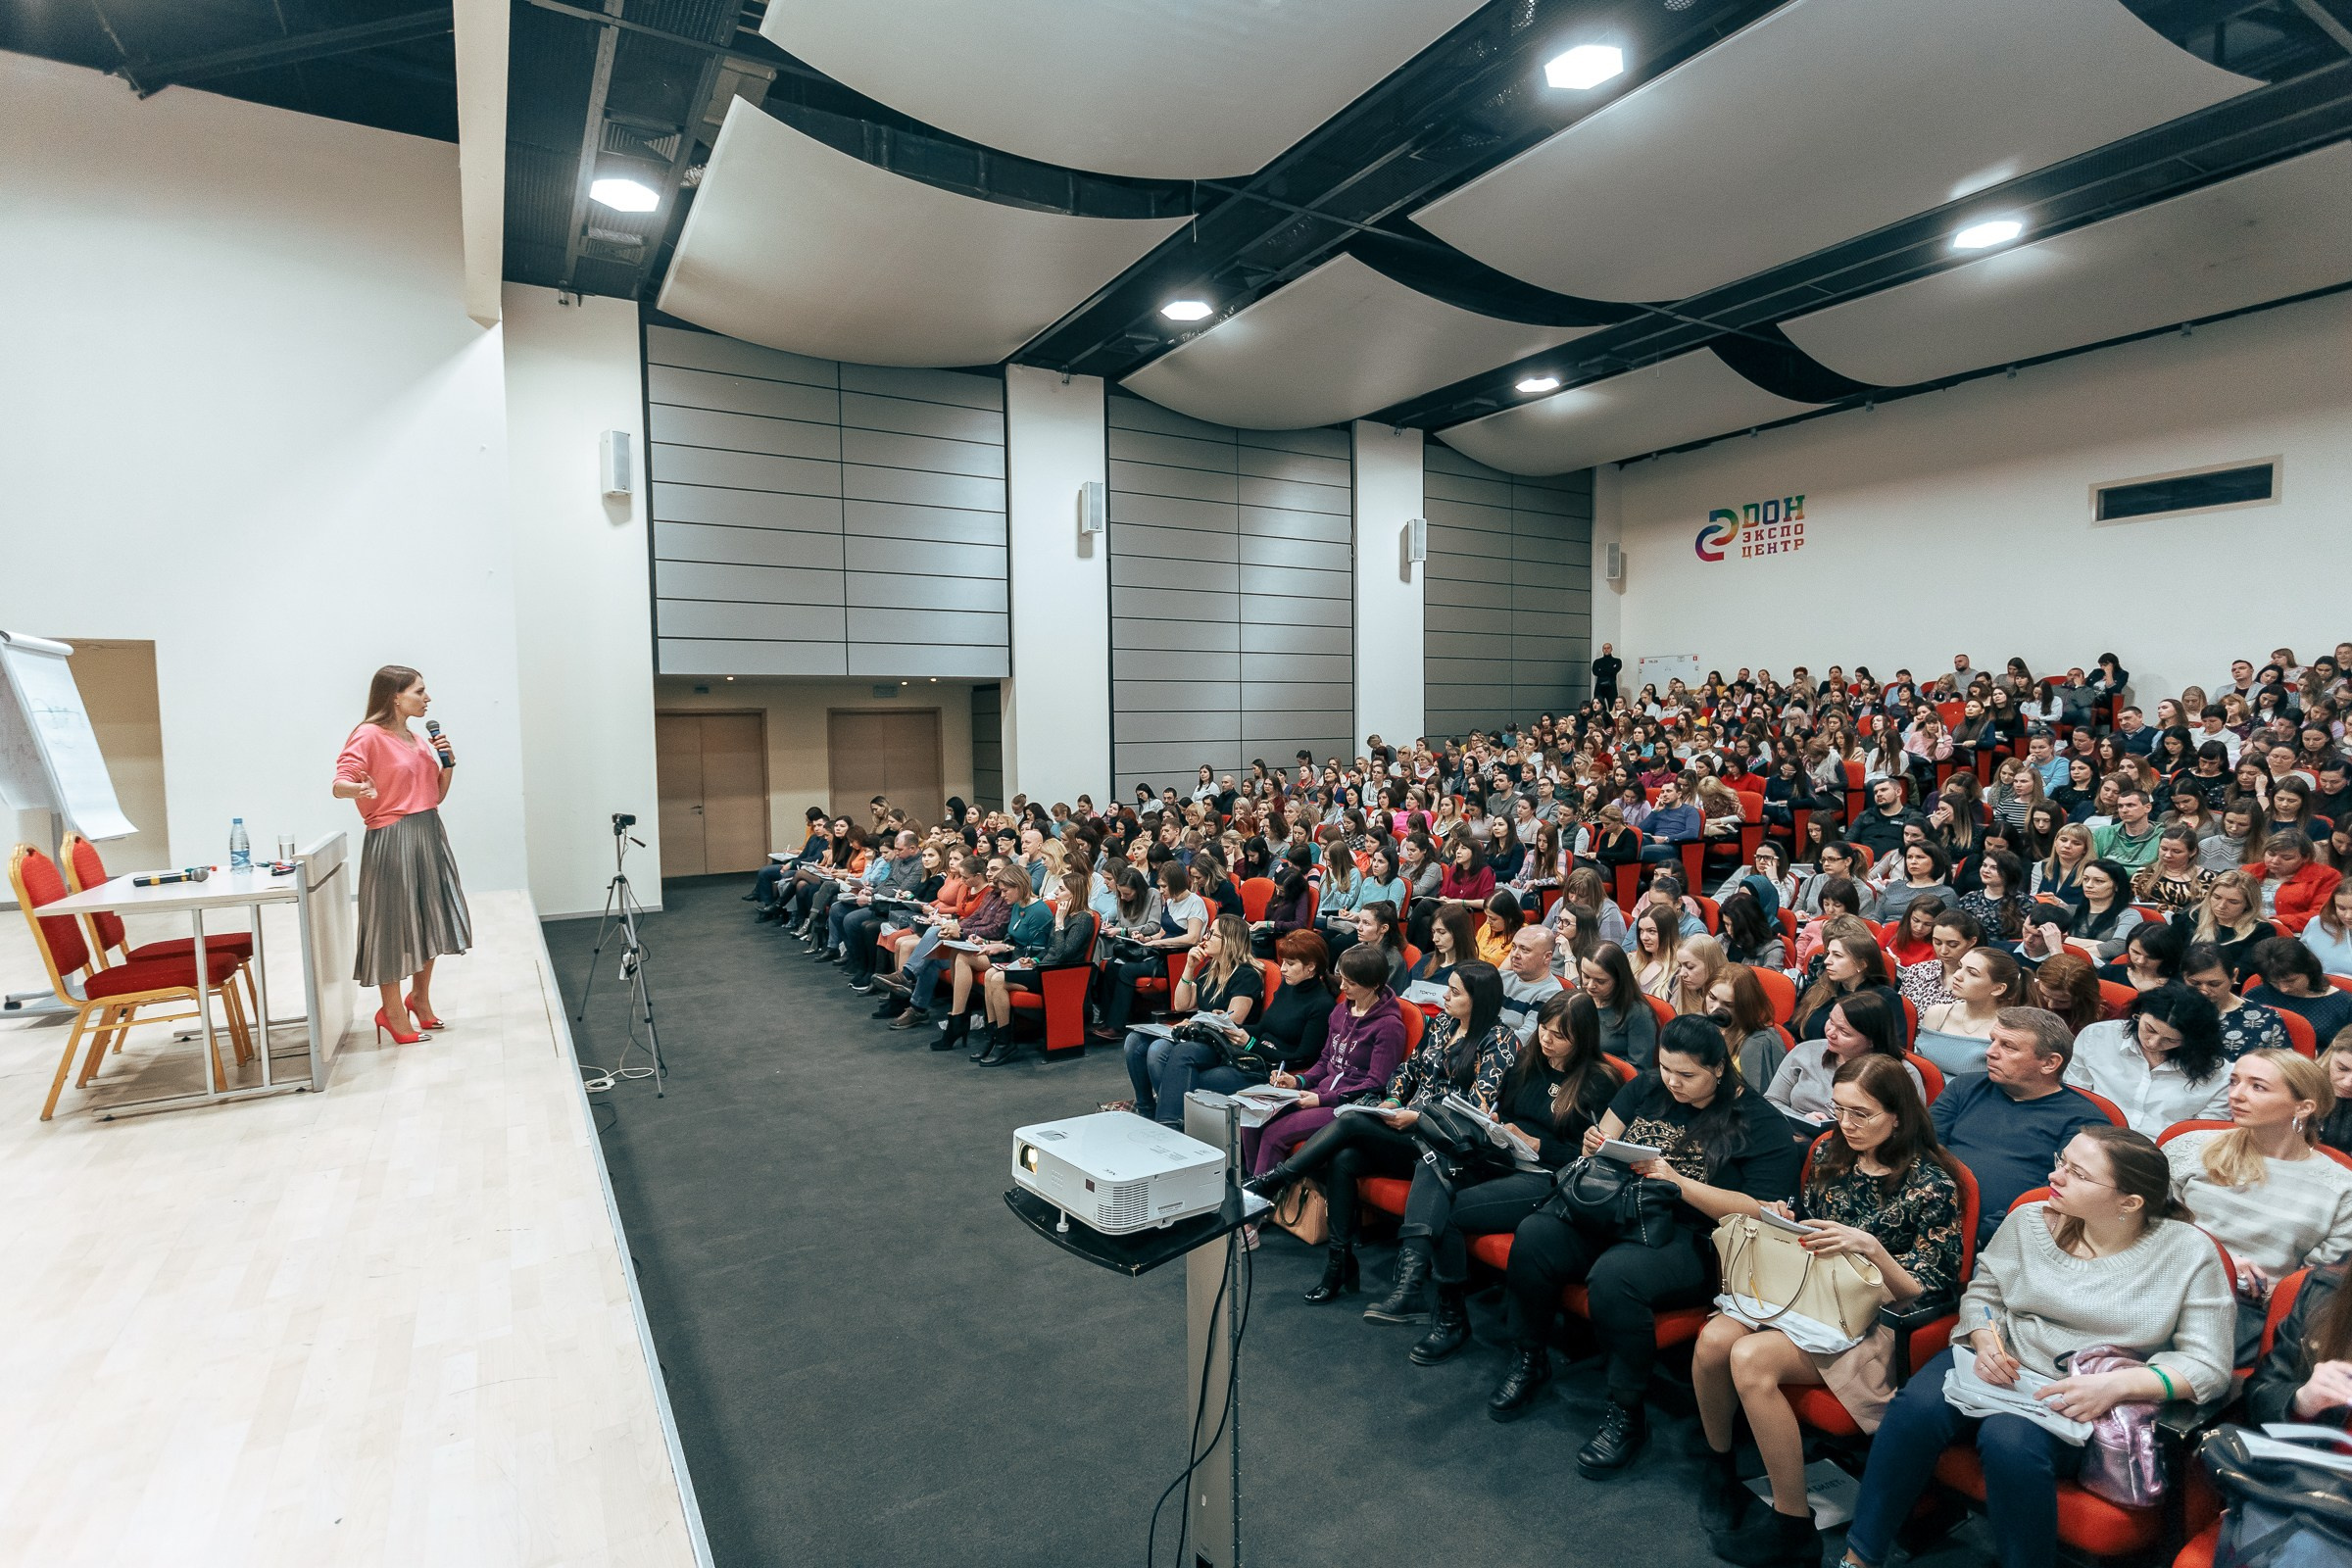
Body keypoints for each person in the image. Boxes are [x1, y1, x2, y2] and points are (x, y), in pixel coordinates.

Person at [1841, 1125, 2233, 1568]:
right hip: (2000, 1362)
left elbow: (2209, 1365)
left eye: (2079, 1174)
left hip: (2084, 1390)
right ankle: (1861, 1555)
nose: (2057, 1176)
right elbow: (1985, 1293)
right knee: (1914, 1409)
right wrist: (1984, 1336)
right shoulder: (2031, 1218)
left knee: (2008, 1438)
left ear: (2129, 1202)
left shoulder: (2186, 1252)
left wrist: (2117, 1388)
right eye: (2061, 1161)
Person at [1491, 1017, 1801, 1476]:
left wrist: (1678, 1182)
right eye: (1666, 1068)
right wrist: (1595, 1144)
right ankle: (1530, 1356)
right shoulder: (1648, 1088)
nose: (1673, 1082)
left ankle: (1627, 1411)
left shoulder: (1760, 1121)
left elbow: (1758, 1212)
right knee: (1538, 1235)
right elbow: (1601, 1146)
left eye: (1687, 1075)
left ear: (1719, 1069)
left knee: (1617, 1276)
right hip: (1620, 1209)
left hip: (1696, 1236)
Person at [1694, 1054, 1966, 1566]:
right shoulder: (1829, 1154)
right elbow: (1812, 1234)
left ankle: (1793, 1524)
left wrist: (1871, 1248)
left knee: (1750, 1358)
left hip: (1871, 1319)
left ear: (1899, 1117)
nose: (1847, 1124)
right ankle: (1720, 1465)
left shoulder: (1933, 1183)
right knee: (1712, 1341)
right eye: (1839, 1109)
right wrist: (1785, 1221)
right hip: (1811, 1295)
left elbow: (1922, 1292)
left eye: (1861, 1114)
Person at [1382, 991, 1626, 1364]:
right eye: (1544, 1028)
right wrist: (1492, 1124)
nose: (1545, 1039)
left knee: (1448, 1209)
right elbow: (1506, 1110)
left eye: (1558, 1035)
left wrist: (1537, 1144)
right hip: (1502, 1155)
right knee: (1431, 1163)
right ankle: (1412, 1280)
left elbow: (1588, 1156)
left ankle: (1448, 1316)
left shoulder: (1599, 1081)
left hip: (1545, 1175)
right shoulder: (1531, 1060)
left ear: (1583, 1037)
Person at [1249, 959, 1501, 1299]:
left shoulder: (1499, 1041)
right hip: (1407, 1127)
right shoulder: (1443, 1024)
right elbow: (1405, 1071)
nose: (1445, 997)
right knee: (1344, 1158)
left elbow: (1474, 1108)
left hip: (1440, 1141)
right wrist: (1394, 1101)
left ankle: (1273, 1180)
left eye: (1455, 992)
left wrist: (1416, 1114)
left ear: (1479, 999)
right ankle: (1338, 1264)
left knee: (1351, 1120)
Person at [2166, 1050, 2352, 1362]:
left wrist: (2242, 1284)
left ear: (2303, 1107)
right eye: (2234, 1081)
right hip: (2165, 1276)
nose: (2236, 1095)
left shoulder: (2341, 1188)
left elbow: (2312, 1287)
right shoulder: (2190, 1147)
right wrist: (2220, 1259)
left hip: (2244, 1311)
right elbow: (2146, 1224)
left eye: (2257, 1087)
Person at [332, 664, 471, 1043]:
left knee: (432, 919)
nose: (427, 698)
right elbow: (341, 781)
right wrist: (356, 790)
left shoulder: (416, 739)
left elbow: (436, 795)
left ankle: (420, 1001)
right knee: (394, 925)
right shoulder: (368, 735)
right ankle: (392, 1012)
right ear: (395, 696)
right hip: (392, 837)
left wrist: (449, 764)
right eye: (419, 691)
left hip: (428, 831)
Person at [1931, 1007, 2113, 1244]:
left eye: (2008, 1046)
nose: (1989, 1052)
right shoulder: (1964, 1087)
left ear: (2049, 1063)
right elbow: (1922, 1147)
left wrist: (1979, 1233)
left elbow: (2057, 1196)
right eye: (1993, 1041)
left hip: (2010, 1237)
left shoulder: (2085, 1121)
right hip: (1926, 1211)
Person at [1249, 944, 1410, 1179]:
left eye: (1351, 983)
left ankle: (1261, 1200)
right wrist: (1298, 1081)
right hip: (1320, 1092)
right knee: (1252, 1118)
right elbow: (1326, 1059)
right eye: (1343, 979)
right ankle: (1252, 1184)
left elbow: (1376, 1083)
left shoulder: (1389, 1026)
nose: (1343, 987)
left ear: (1374, 985)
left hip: (1347, 1104)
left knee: (1275, 1134)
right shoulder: (1340, 1012)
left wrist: (1322, 1099)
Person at [2061, 982, 2229, 1137]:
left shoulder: (2219, 1075)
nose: (2153, 1043)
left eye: (2171, 1040)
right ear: (2139, 1014)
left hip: (2162, 1153)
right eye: (2150, 1029)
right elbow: (2074, 1099)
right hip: (2093, 1138)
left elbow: (2201, 1138)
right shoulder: (2096, 1037)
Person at [971, 869, 1099, 1065]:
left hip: (1059, 976)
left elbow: (1061, 954)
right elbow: (1047, 950)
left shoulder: (1083, 919)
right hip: (1044, 968)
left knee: (998, 979)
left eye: (1061, 889)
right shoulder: (1065, 915)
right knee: (990, 973)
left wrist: (1057, 923)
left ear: (1075, 893)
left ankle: (1005, 1043)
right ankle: (994, 1036)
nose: (1056, 892)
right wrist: (1035, 961)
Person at [1766, 988, 1925, 1136]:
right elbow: (1772, 1101)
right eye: (1831, 1021)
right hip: (1792, 1134)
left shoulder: (1902, 1075)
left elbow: (1909, 1129)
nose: (1830, 1032)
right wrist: (1803, 1120)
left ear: (1872, 1041)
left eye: (1844, 1032)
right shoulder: (1806, 1051)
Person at [1095, 860, 1207, 1039]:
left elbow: (1193, 937)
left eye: (1164, 886)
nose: (1160, 891)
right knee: (1112, 966)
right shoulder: (1172, 901)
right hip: (1161, 952)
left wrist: (1159, 943)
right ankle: (1108, 1019)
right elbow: (1163, 931)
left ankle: (1117, 1026)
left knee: (1127, 970)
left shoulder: (1195, 902)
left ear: (1175, 883)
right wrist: (1146, 939)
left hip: (1176, 959)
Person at [1916, 947, 2026, 1077]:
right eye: (1959, 967)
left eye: (1972, 973)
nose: (1957, 976)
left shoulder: (2009, 1030)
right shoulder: (1937, 1013)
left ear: (1998, 989)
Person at [1791, 920, 1899, 1043]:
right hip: (1805, 1057)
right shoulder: (1820, 987)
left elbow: (1891, 1049)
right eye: (1828, 954)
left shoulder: (1885, 999)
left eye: (1837, 955)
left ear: (1862, 964)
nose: (1827, 961)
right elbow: (1793, 1028)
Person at [2248, 937, 2352, 1040]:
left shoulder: (2345, 1004)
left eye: (2291, 981)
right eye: (2274, 982)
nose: (2284, 989)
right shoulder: (2255, 996)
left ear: (2309, 970)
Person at [1709, 963, 1788, 1094]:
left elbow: (1759, 1103)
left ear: (1745, 1006)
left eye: (1728, 1004)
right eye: (1712, 997)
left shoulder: (1758, 1044)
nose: (1716, 1009)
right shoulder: (1705, 1026)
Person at [1583, 943, 1660, 1067]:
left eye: (1600, 981)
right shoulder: (1580, 999)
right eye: (1586, 976)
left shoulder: (1638, 1013)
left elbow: (1639, 1070)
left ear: (1618, 979)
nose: (1590, 985)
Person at [2259, 830, 2342, 933]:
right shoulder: (2249, 871)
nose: (2275, 861)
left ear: (2305, 857)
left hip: (2295, 934)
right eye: (2271, 854)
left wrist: (2276, 922)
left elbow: (2321, 914)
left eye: (2286, 858)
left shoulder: (2326, 876)